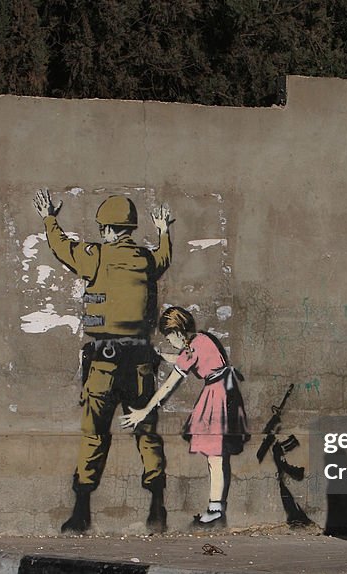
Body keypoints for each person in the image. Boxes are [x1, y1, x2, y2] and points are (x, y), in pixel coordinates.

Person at [33, 189, 173, 534]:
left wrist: (49, 218)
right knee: (147, 433)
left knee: (94, 434)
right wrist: (164, 231)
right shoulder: (145, 259)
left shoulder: (95, 257)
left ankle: (81, 510)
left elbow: (62, 247)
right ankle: (157, 506)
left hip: (106, 363)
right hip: (140, 362)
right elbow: (164, 258)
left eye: (102, 229)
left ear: (109, 229)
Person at [121, 306, 249, 526]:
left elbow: (170, 383)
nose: (169, 341)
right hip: (224, 391)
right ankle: (215, 505)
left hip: (217, 395)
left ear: (178, 332)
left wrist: (145, 410)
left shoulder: (192, 349)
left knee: (214, 456)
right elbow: (184, 358)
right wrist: (160, 355)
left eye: (169, 337)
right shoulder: (201, 340)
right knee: (215, 455)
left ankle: (215, 507)